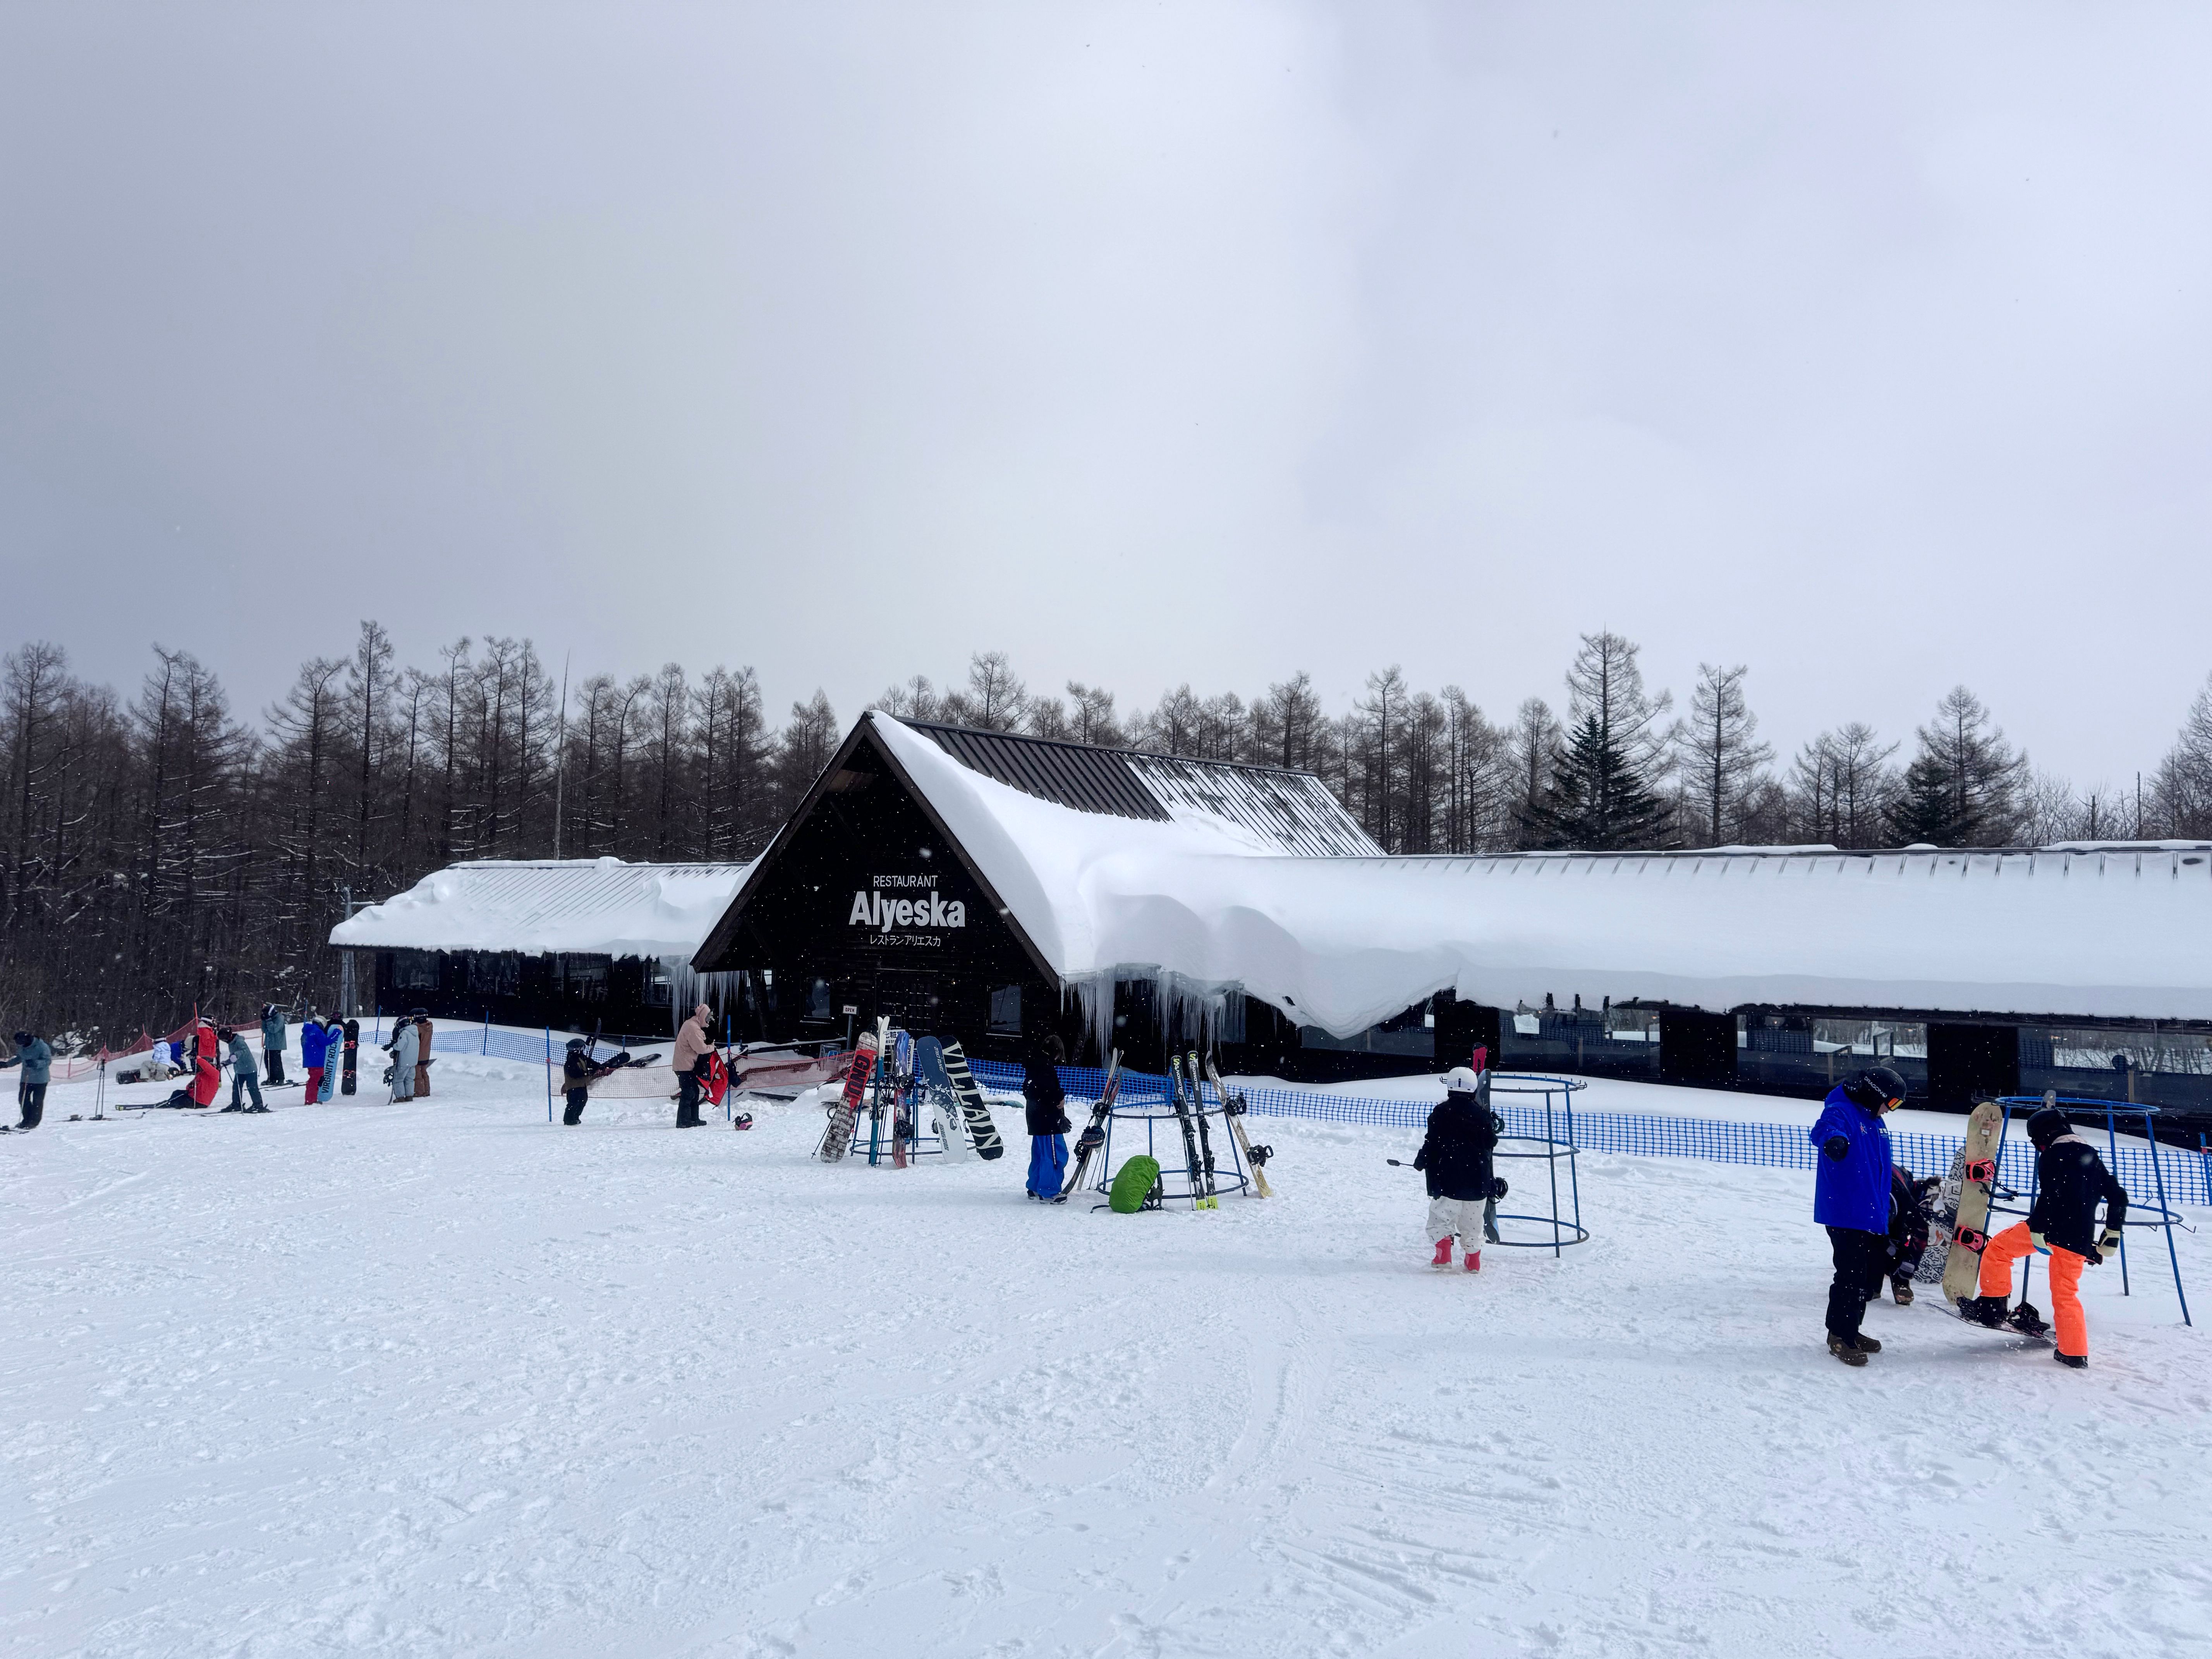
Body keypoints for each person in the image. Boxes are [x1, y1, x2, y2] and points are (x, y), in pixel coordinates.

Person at [1963, 1106, 2129, 1370]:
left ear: (2044, 1136)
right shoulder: (2091, 1156)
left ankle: (1992, 1308)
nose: (2039, 1148)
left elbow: (2051, 1195)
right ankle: (2074, 1353)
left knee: (1998, 1250)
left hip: (2049, 1228)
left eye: (2037, 1143)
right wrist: (2112, 1232)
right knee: (2066, 1294)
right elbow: (2118, 1196)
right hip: (2078, 1238)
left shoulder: (2054, 1154)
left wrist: (2039, 1229)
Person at [1810, 1065, 1908, 1366]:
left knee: (1866, 1277)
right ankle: (1840, 1335)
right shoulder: (1841, 1111)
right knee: (1850, 1276)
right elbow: (1825, 1128)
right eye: (1891, 1102)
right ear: (1873, 1094)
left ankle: (1852, 1329)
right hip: (1845, 1212)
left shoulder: (1874, 1120)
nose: (1891, 1110)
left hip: (1870, 1212)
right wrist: (1834, 1141)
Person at [1415, 1065, 1500, 1272]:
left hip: (1448, 1180)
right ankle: (1473, 1261)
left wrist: (1422, 1160)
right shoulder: (1481, 1115)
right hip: (1477, 1182)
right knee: (1473, 1222)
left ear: (1450, 1087)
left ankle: (1443, 1256)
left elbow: (1433, 1142)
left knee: (1441, 1217)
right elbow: (1491, 1142)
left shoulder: (1441, 1112)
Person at [1023, 1035, 1071, 1199]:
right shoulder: (1045, 1065)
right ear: (1056, 1051)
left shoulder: (1034, 1063)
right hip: (1047, 1119)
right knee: (1055, 1155)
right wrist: (1060, 1099)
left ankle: (1035, 1187)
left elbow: (1028, 1089)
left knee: (1040, 1154)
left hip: (1036, 1117)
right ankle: (1049, 1192)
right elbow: (1049, 1089)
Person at [1885, 1166, 1940, 1304]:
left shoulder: (1905, 1185)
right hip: (1882, 1204)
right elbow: (1920, 1232)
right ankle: (1898, 1280)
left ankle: (1871, 1283)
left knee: (1888, 1239)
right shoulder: (1906, 1200)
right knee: (1890, 1242)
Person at [1, 1031, 53, 1132]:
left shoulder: (42, 1046)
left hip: (40, 1079)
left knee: (37, 1101)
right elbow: (20, 1058)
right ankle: (27, 1120)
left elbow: (48, 1061)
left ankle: (34, 1122)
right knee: (23, 1099)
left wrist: (36, 1063)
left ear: (26, 1040)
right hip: (26, 1078)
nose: (20, 1045)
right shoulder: (23, 1047)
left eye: (20, 1043)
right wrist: (7, 1065)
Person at [672, 1002, 714, 1128]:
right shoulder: (692, 1027)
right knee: (689, 1093)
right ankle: (683, 1121)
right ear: (703, 1016)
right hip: (684, 1066)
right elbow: (700, 1048)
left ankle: (694, 1119)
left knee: (694, 1092)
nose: (709, 1021)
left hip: (687, 1065)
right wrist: (711, 1047)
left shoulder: (693, 1025)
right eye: (708, 1017)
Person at [561, 1036, 615, 1125]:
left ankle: (576, 1117)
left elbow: (589, 1062)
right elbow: (575, 1074)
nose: (583, 1049)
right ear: (576, 1050)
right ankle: (569, 1120)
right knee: (574, 1102)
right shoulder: (571, 1061)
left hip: (582, 1085)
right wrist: (588, 1074)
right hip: (574, 1086)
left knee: (583, 1100)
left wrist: (598, 1066)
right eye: (582, 1048)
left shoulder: (581, 1057)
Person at [219, 1027, 266, 1113]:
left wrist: (236, 1055)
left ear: (229, 1036)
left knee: (252, 1087)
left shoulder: (239, 1042)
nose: (224, 1041)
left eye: (224, 1039)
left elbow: (244, 1051)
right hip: (240, 1070)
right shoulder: (231, 1043)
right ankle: (237, 1104)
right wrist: (227, 1062)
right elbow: (234, 1058)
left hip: (250, 1069)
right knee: (236, 1087)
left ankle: (258, 1105)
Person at [388, 1014, 420, 1103]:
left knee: (399, 1079)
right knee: (410, 1079)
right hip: (413, 1061)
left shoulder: (405, 1033)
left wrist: (394, 1045)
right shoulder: (415, 1033)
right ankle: (409, 1096)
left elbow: (399, 1046)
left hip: (404, 1061)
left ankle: (400, 1097)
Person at [299, 1013, 329, 1102]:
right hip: (317, 1061)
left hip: (310, 1061)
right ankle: (311, 1100)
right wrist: (337, 1033)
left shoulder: (307, 1032)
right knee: (315, 1081)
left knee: (313, 1080)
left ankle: (311, 1099)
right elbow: (326, 1042)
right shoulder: (317, 1032)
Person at [260, 1003, 288, 1085]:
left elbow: (274, 1029)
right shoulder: (270, 1018)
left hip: (277, 1044)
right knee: (268, 1061)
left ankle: (281, 1078)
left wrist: (268, 1021)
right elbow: (265, 1030)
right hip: (269, 1044)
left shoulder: (280, 1018)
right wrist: (264, 1021)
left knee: (276, 1062)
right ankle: (271, 1078)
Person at [410, 1008, 433, 1097]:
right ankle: (427, 1090)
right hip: (426, 1053)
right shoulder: (429, 1026)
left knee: (417, 1074)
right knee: (424, 1071)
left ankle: (419, 1092)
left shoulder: (417, 1028)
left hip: (418, 1054)